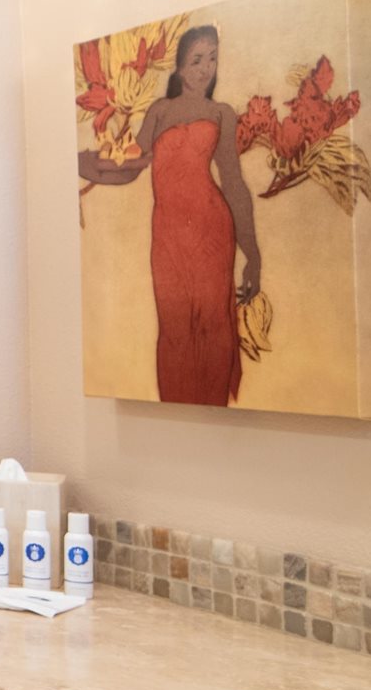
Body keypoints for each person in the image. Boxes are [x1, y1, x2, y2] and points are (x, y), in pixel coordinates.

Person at [77, 24, 260, 405]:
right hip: (169, 235)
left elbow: (234, 184)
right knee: (175, 327)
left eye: (212, 58)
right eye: (196, 60)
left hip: (212, 230)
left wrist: (253, 256)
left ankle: (212, 411)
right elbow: (131, 165)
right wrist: (85, 164)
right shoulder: (160, 111)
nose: (205, 68)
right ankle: (178, 412)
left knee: (212, 326)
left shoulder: (222, 113)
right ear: (178, 68)